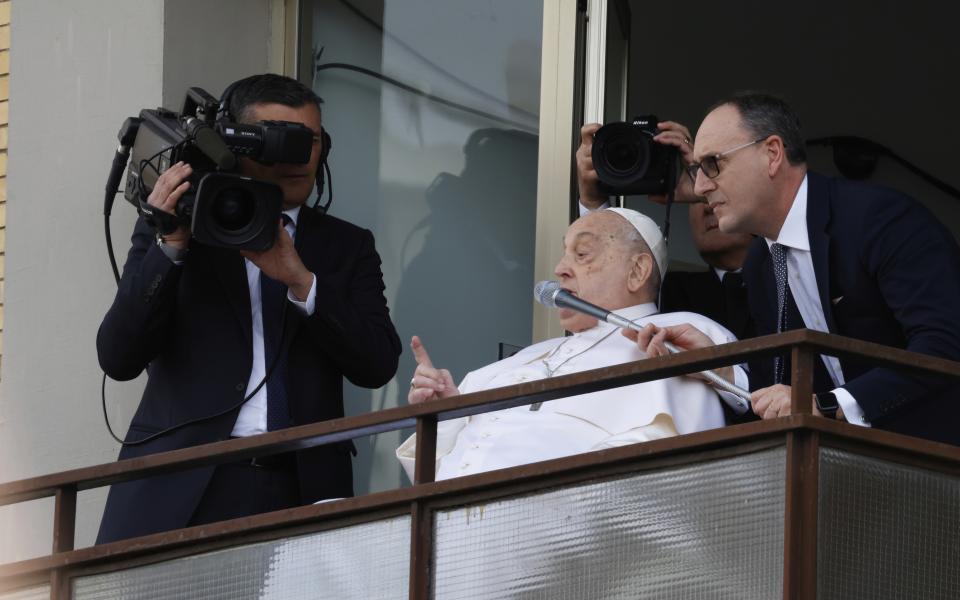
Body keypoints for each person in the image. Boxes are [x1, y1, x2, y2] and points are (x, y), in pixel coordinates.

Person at [96, 74, 401, 543]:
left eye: (312, 141)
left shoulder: (346, 245)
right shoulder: (181, 229)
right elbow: (118, 357)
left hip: (302, 488)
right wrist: (171, 243)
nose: (301, 157)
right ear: (238, 145)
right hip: (181, 486)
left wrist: (303, 282)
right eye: (281, 141)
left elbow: (377, 363)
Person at [634, 92, 960, 446]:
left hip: (935, 462)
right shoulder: (760, 259)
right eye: (697, 170)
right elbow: (781, 386)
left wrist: (828, 405)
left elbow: (942, 346)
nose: (699, 187)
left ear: (772, 154)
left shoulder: (878, 219)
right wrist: (718, 367)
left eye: (713, 164)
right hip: (845, 472)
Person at [396, 208, 745, 481]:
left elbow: (659, 466)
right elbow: (431, 480)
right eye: (564, 255)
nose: (560, 269)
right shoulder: (518, 362)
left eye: (582, 254)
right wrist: (447, 416)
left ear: (637, 271)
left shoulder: (680, 332)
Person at [575, 120, 755, 341]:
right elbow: (606, 291)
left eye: (710, 188)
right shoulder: (664, 293)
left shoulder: (789, 269)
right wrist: (593, 202)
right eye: (698, 197)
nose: (708, 206)